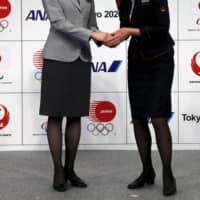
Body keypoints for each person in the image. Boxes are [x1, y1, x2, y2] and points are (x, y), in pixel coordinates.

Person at [40, 0, 111, 192]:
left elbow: (92, 25)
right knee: (54, 114)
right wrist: (92, 34)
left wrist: (103, 39)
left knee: (75, 115)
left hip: (82, 59)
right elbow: (58, 22)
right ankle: (58, 170)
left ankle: (70, 169)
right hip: (57, 58)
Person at [106, 0, 176, 196]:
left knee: (158, 116)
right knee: (138, 117)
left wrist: (130, 31)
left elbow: (162, 28)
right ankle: (147, 171)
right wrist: (115, 39)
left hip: (160, 59)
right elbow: (125, 27)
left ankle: (168, 174)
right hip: (138, 60)